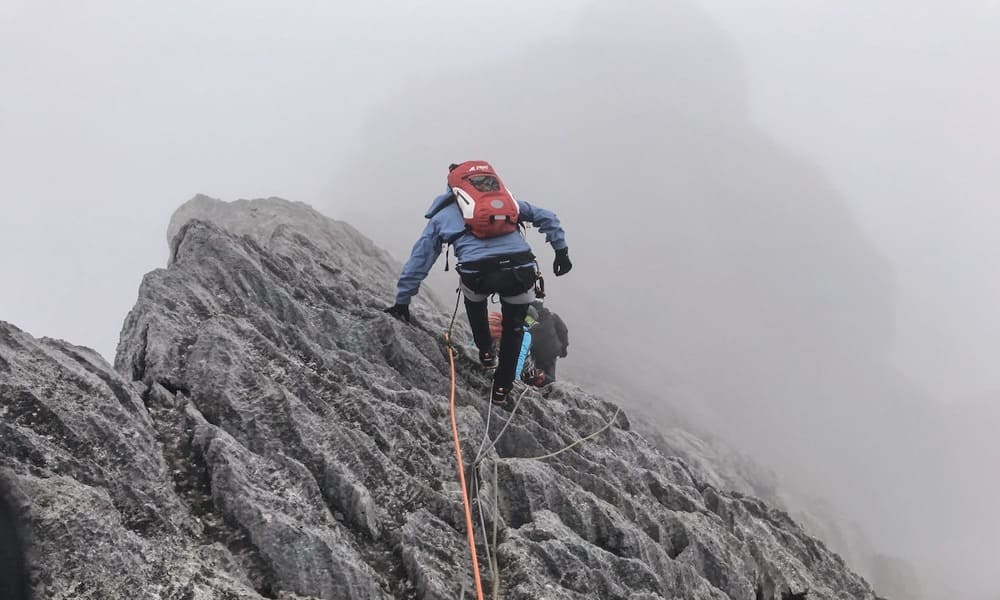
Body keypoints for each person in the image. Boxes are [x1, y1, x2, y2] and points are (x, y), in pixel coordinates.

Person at [385, 161, 572, 405]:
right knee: (515, 330)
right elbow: (548, 217)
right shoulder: (508, 203)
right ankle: (501, 390)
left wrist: (402, 301)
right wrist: (561, 252)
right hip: (519, 269)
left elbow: (420, 260)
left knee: (475, 303)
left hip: (478, 273)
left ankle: (485, 352)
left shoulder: (443, 215)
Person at [525, 300, 568, 385]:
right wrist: (563, 349)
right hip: (552, 353)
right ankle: (550, 389)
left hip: (535, 354)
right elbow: (563, 331)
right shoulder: (552, 316)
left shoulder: (528, 318)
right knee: (549, 379)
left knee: (536, 376)